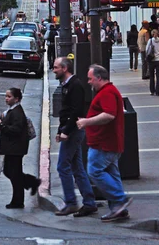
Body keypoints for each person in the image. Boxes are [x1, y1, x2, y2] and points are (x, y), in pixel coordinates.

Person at [76, 65, 132, 222]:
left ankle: (120, 200)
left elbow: (109, 115)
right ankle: (118, 209)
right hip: (108, 142)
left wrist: (87, 122)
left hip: (104, 144)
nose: (88, 82)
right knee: (113, 175)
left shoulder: (107, 92)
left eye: (90, 78)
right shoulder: (108, 91)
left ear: (99, 78)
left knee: (95, 171)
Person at [53, 58, 97, 217]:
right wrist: (61, 130)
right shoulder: (67, 85)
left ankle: (71, 202)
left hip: (73, 131)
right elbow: (65, 111)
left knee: (62, 166)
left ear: (65, 68)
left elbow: (77, 110)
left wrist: (66, 131)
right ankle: (89, 202)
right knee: (76, 167)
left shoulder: (75, 85)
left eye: (56, 67)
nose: (54, 70)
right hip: (71, 130)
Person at [0, 87, 41, 209]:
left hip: (15, 149)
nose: (6, 99)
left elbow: (16, 130)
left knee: (14, 174)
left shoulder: (17, 112)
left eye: (9, 96)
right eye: (6, 96)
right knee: (9, 172)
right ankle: (31, 182)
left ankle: (18, 200)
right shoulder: (12, 110)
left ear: (17, 99)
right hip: (13, 148)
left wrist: (2, 126)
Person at [146, 29, 159, 96]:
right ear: (158, 34)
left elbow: (147, 50)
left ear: (152, 34)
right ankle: (158, 91)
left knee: (151, 76)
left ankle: (152, 91)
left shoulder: (150, 41)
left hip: (152, 61)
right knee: (158, 76)